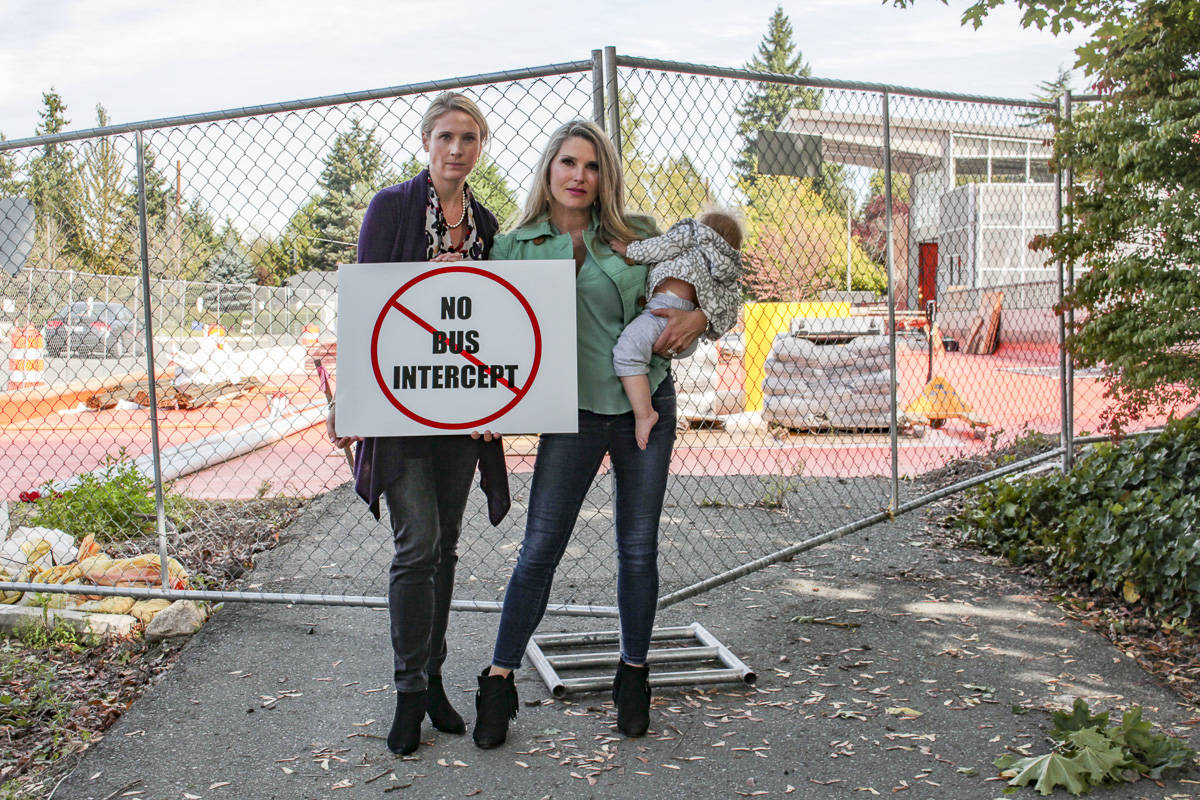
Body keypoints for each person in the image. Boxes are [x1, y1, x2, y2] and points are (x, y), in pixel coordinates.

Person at [471, 120, 709, 749]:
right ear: (549, 170)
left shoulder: (641, 237)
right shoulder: (513, 247)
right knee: (540, 548)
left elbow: (700, 288)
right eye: (569, 163)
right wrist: (485, 409)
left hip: (643, 406)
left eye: (593, 166)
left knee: (638, 547)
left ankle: (634, 677)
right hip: (570, 413)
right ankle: (498, 681)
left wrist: (702, 313)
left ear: (606, 177)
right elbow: (494, 335)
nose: (580, 176)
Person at [326, 91, 510, 756]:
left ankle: (433, 681)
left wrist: (501, 405)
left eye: (469, 137)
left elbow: (497, 328)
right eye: (446, 136)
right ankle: (408, 694)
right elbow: (366, 307)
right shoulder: (392, 208)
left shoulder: (488, 226)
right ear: (426, 142)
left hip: (461, 412)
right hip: (401, 406)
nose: (456, 148)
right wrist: (347, 399)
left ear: (480, 146)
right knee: (418, 545)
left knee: (448, 549)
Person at [611, 211, 743, 449]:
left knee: (626, 352)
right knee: (640, 352)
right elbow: (729, 312)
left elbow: (659, 247)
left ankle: (644, 414)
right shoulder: (726, 267)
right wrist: (704, 320)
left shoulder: (691, 236)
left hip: (665, 311)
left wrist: (629, 251)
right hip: (689, 329)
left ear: (704, 228)